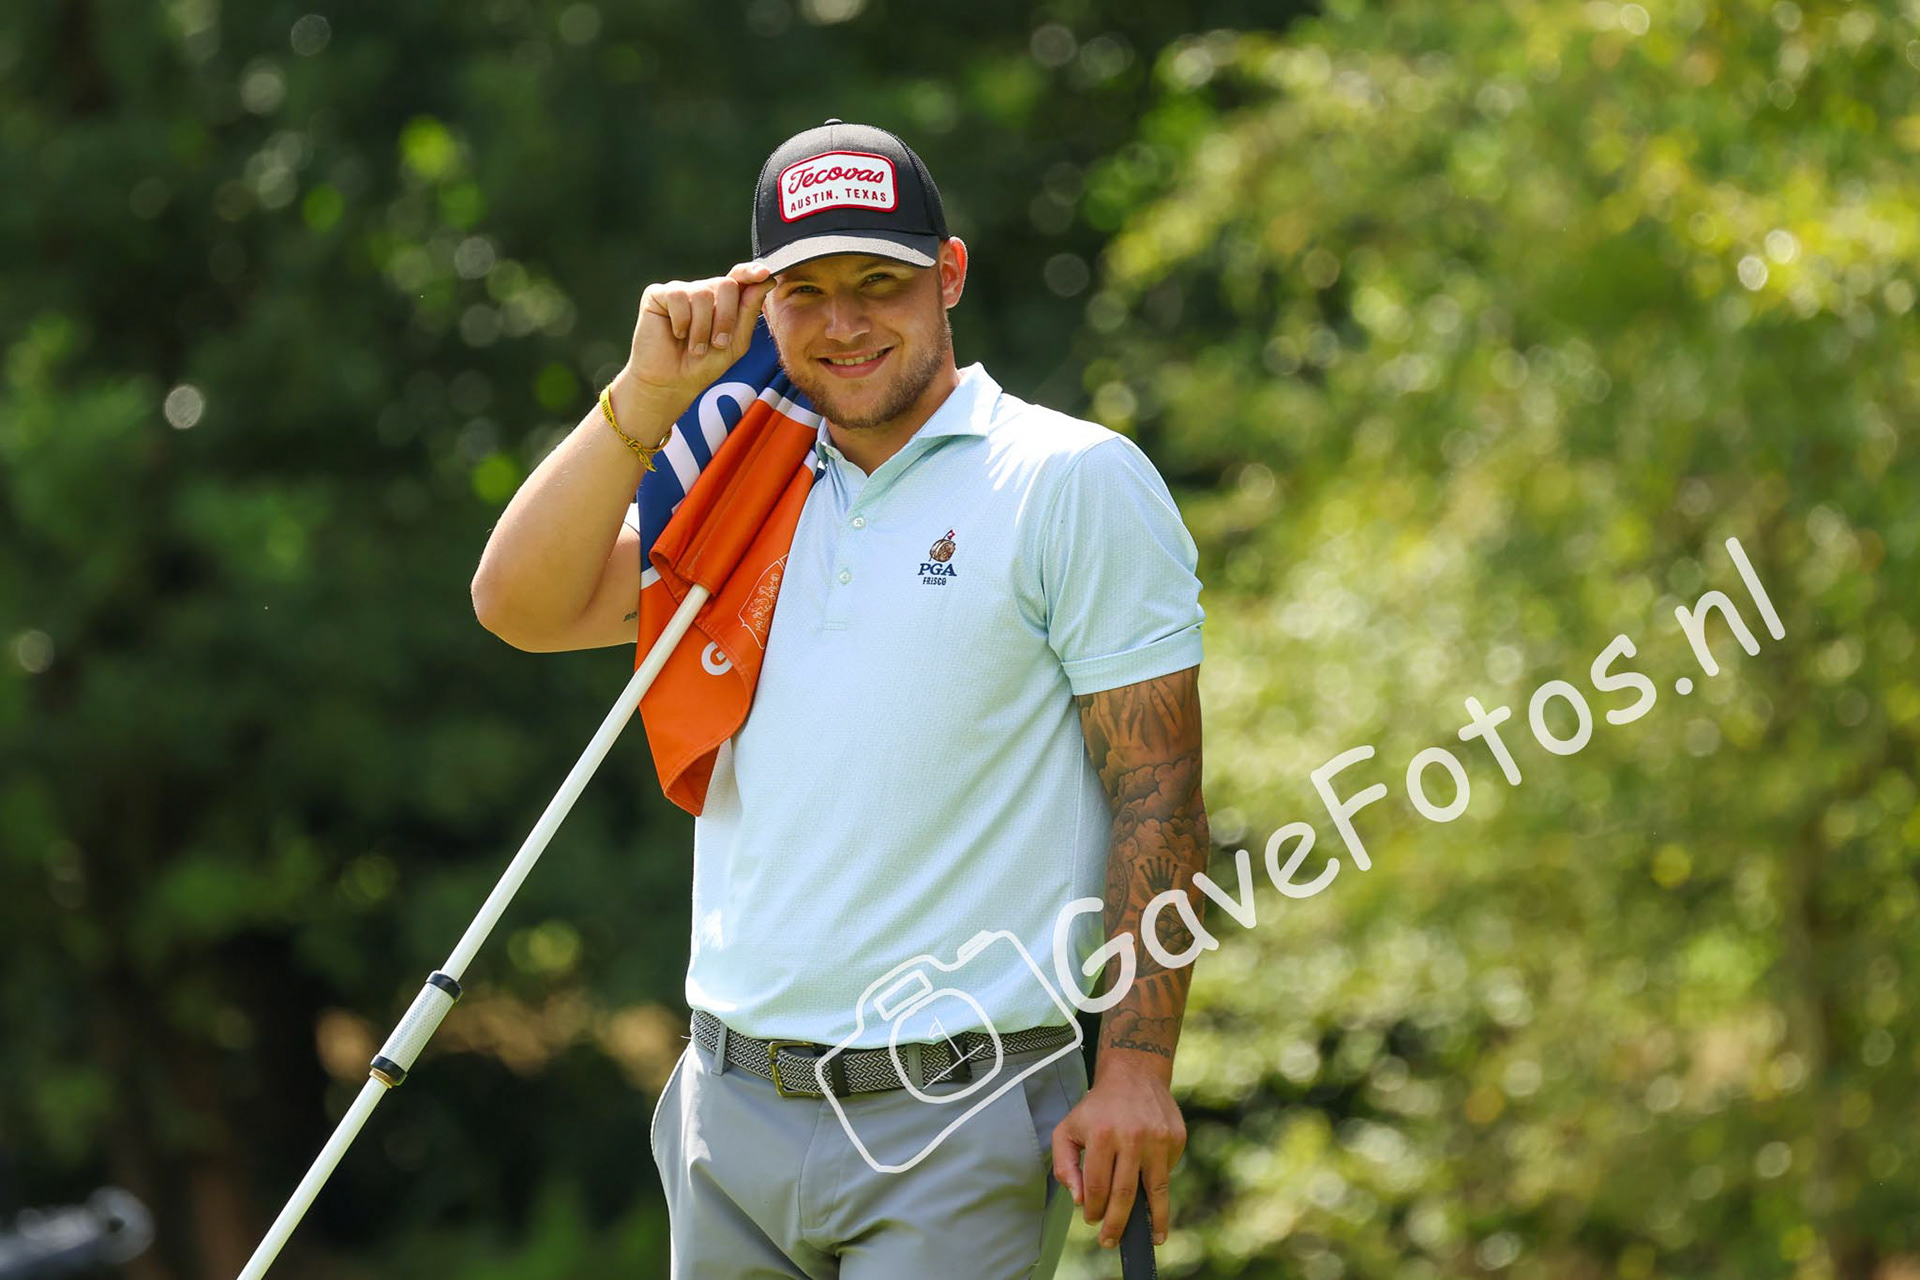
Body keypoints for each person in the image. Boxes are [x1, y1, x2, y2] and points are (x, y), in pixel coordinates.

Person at [471, 119, 1210, 1278]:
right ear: (761, 303)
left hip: (958, 1111)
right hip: (728, 1105)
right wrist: (642, 396)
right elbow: (520, 602)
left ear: (949, 275)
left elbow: (1158, 787)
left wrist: (1134, 1066)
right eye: (806, 291)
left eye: (881, 283)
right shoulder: (739, 483)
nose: (845, 322)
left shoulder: (1068, 478)